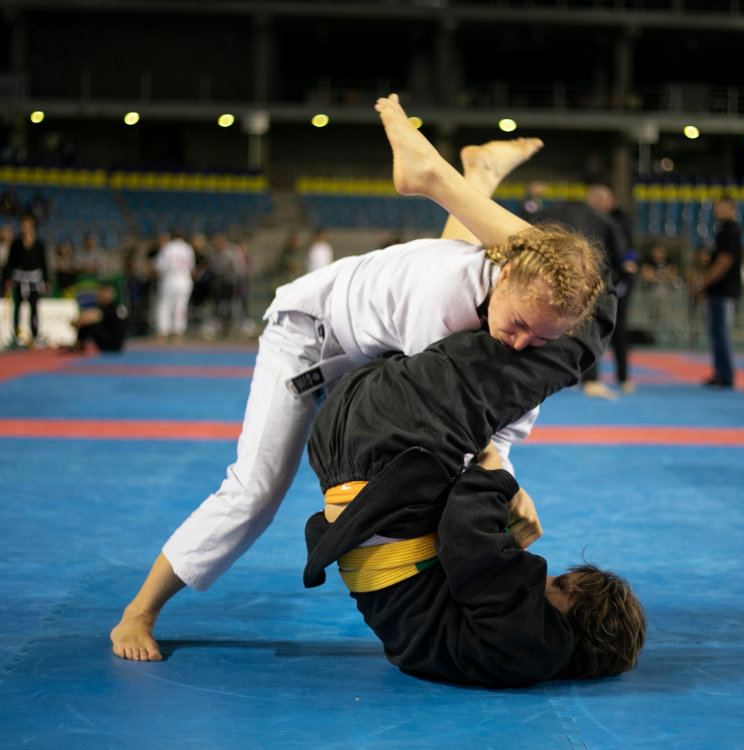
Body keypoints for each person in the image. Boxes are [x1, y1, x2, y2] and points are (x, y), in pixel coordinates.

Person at [110, 93, 607, 662]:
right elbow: (436, 413)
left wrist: (505, 474)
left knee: (480, 397)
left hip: (381, 345)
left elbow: (497, 416)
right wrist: (503, 484)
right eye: (517, 324)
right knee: (256, 490)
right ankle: (139, 611)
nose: (521, 344)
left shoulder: (520, 310)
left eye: (540, 339)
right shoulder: (443, 294)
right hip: (311, 338)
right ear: (506, 272)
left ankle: (477, 175)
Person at [302, 268, 642, 686]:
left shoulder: (537, 641)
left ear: (577, 607)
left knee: (570, 345)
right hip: (342, 446)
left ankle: (576, 277)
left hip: (383, 448)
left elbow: (465, 528)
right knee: (471, 348)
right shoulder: (488, 652)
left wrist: (502, 485)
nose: (544, 575)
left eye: (561, 585)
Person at [532, 183, 630, 399]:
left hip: (549, 274)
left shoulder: (553, 210)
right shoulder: (603, 218)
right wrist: (622, 273)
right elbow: (621, 252)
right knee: (590, 323)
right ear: (602, 203)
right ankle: (591, 380)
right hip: (587, 276)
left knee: (550, 324)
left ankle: (552, 376)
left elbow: (527, 226)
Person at [692, 196, 742, 387]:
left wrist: (702, 283)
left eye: (723, 207)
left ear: (733, 210)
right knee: (716, 333)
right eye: (717, 207)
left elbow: (724, 262)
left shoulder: (730, 231)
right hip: (717, 291)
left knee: (720, 333)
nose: (718, 210)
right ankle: (720, 373)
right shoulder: (721, 231)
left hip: (724, 291)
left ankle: (726, 375)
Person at [2, 213, 49, 348]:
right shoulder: (16, 244)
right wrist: (7, 278)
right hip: (19, 279)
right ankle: (17, 334)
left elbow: (44, 263)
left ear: (32, 227)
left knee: (34, 308)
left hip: (34, 280)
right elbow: (10, 263)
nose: (25, 228)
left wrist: (46, 280)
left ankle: (35, 335)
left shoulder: (39, 244)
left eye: (27, 225)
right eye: (23, 225)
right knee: (17, 308)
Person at [153, 230, 196, 344]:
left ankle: (162, 332)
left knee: (165, 306)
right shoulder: (188, 248)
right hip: (185, 280)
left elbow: (159, 266)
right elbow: (191, 267)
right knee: (181, 307)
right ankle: (177, 332)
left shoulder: (167, 248)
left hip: (170, 279)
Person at [65, 284, 127, 352]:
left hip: (112, 345)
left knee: (90, 325)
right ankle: (78, 344)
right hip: (114, 344)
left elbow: (93, 316)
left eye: (100, 293)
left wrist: (78, 322)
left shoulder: (111, 307)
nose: (97, 295)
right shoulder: (110, 306)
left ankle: (78, 345)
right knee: (90, 324)